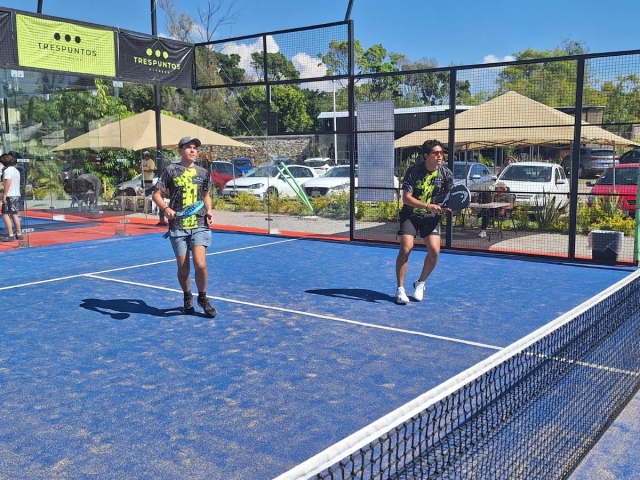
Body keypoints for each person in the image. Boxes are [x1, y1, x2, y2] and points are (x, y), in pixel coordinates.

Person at [152, 136, 217, 318]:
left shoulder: (203, 172)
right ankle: (187, 295)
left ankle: (203, 298)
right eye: (188, 147)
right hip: (178, 226)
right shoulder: (170, 170)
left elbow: (205, 195)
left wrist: (209, 210)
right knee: (183, 269)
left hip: (199, 223)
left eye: (194, 148)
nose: (192, 150)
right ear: (180, 150)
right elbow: (156, 195)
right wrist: (166, 208)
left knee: (200, 264)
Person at [395, 140, 453, 304]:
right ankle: (400, 290)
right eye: (436, 153)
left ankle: (420, 283)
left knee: (435, 252)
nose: (440, 156)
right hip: (410, 216)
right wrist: (427, 205)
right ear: (426, 155)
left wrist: (449, 207)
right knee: (406, 249)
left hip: (431, 218)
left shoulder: (446, 173)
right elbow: (406, 198)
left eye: (441, 153)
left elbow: (450, 197)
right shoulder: (414, 171)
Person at [1, 152, 24, 242]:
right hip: (16, 194)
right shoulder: (16, 170)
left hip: (10, 195)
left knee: (5, 214)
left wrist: (4, 195)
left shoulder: (7, 171)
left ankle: (10, 234)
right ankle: (19, 233)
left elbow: (8, 183)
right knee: (14, 214)